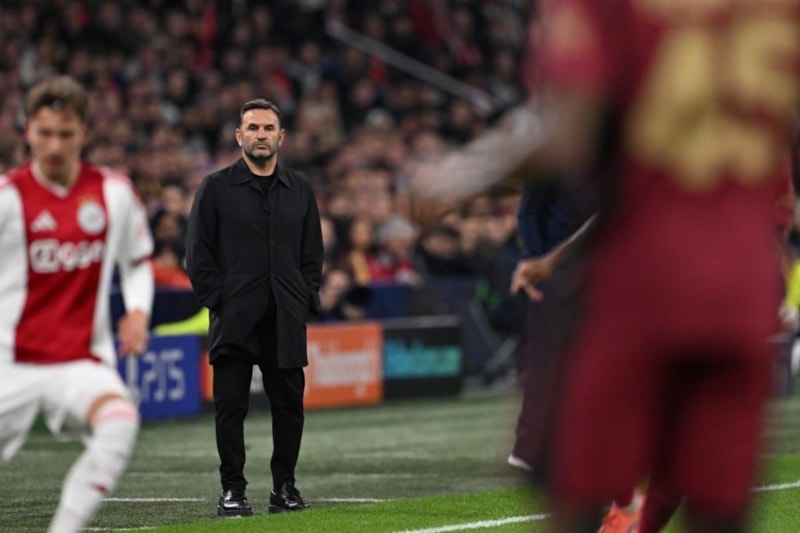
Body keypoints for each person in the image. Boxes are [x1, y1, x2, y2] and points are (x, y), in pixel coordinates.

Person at [412, 0, 800, 530]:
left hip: (642, 285)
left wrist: (465, 175)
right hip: (742, 293)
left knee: (574, 484)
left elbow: (570, 137)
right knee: (718, 502)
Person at [0, 76, 153, 533]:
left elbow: (137, 263)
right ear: (27, 131)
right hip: (9, 362)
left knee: (120, 420)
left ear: (84, 133)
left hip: (79, 362)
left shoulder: (114, 193)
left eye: (65, 134)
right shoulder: (7, 199)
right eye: (45, 133)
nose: (54, 145)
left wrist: (138, 312)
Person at [185, 99, 323, 517]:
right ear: (238, 136)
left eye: (267, 128)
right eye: (253, 128)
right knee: (231, 408)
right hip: (235, 318)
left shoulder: (300, 189)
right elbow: (198, 254)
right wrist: (220, 301)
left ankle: (285, 488)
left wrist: (302, 298)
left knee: (289, 407)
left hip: (285, 316)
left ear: (281, 137)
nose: (260, 135)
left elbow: (312, 255)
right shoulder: (215, 188)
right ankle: (232, 490)